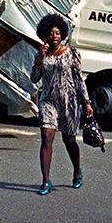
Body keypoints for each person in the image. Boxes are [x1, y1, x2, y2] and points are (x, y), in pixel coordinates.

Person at [30, 13, 93, 195]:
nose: (54, 36)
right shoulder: (41, 54)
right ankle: (45, 181)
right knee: (47, 138)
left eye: (57, 33)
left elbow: (79, 80)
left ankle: (77, 170)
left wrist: (86, 102)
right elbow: (34, 79)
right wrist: (39, 60)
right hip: (48, 102)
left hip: (69, 102)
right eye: (50, 33)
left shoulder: (72, 53)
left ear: (62, 34)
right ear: (45, 35)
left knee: (69, 140)